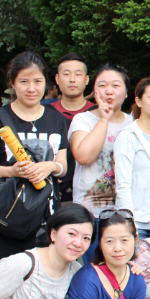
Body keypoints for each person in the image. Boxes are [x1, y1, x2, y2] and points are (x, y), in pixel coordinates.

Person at [0, 52, 69, 266]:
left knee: (46, 278)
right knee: (6, 280)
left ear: (46, 83)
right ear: (12, 83)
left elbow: (63, 166)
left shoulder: (56, 119)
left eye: (37, 81)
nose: (31, 88)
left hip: (46, 216)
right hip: (8, 213)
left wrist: (50, 166)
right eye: (24, 81)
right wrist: (11, 171)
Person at [68, 64, 135, 263]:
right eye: (102, 85)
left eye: (115, 85)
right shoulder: (83, 120)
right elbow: (84, 156)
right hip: (90, 214)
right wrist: (104, 119)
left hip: (125, 215)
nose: (109, 91)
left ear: (126, 92)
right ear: (94, 91)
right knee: (93, 270)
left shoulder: (133, 123)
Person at [114, 77, 150, 240]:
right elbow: (123, 184)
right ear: (138, 101)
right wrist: (128, 223)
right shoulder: (128, 135)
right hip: (139, 224)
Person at [48, 53, 96, 201]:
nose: (72, 79)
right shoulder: (46, 113)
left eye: (78, 74)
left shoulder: (97, 114)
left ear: (86, 80)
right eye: (66, 74)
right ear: (57, 79)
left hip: (91, 195)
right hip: (51, 193)